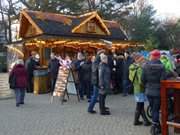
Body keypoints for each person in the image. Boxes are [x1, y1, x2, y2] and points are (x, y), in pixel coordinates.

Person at [141, 49, 166, 135]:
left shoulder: (145, 66)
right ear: (159, 56)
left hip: (148, 91)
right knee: (155, 109)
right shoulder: (162, 66)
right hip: (158, 91)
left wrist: (146, 86)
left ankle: (156, 125)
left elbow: (142, 80)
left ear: (152, 56)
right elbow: (163, 80)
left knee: (153, 109)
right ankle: (154, 127)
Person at [129, 54, 151, 126]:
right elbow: (141, 81)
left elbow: (130, 78)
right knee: (140, 105)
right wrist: (146, 85)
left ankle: (138, 121)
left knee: (139, 105)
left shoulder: (132, 67)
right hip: (140, 89)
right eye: (142, 60)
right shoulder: (139, 69)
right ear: (138, 60)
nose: (144, 62)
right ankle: (143, 121)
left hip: (136, 88)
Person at [88, 49, 105, 114]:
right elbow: (97, 73)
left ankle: (102, 106)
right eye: (103, 54)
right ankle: (90, 108)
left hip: (96, 81)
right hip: (97, 81)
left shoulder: (96, 61)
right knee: (95, 96)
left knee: (97, 95)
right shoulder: (98, 63)